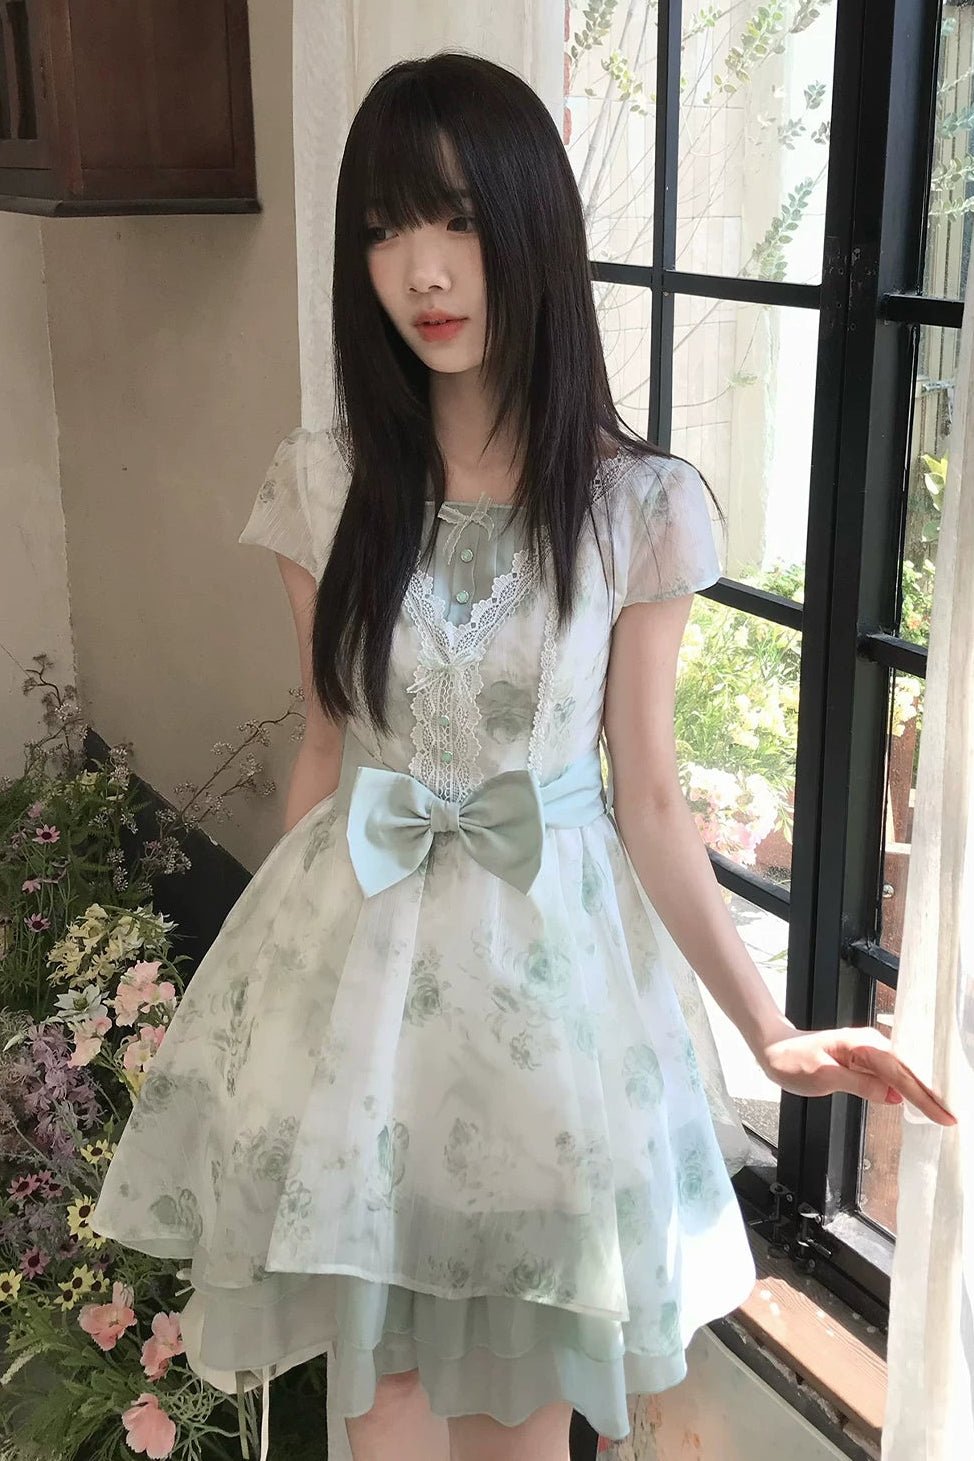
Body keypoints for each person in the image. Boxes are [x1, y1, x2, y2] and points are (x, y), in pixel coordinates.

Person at [90, 49, 956, 1461]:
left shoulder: (634, 507)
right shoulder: (323, 485)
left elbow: (651, 796)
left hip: (546, 1022)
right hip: (362, 1006)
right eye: (384, 228)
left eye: (458, 219)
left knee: (519, 1429)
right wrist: (261, 1015)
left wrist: (770, 1029)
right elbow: (325, 743)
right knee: (379, 1424)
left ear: (530, 226)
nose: (422, 271)